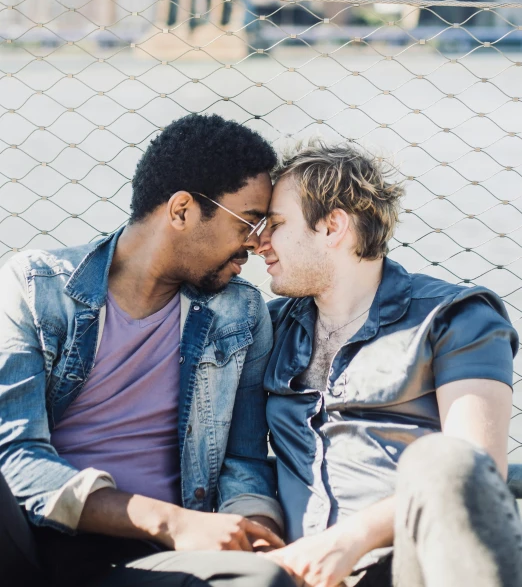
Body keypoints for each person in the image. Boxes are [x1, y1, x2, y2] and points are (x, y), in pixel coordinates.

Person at [0, 114, 293, 587]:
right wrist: (169, 521)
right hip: (32, 538)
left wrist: (254, 534)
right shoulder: (37, 287)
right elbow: (14, 457)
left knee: (260, 581)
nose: (259, 245)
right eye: (251, 221)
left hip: (153, 558)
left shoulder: (241, 314)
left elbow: (244, 459)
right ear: (180, 211)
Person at [257, 141, 522, 587]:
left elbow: (475, 471)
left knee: (444, 459)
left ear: (332, 227)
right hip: (297, 571)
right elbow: (242, 457)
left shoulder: (457, 318)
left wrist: (350, 540)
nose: (258, 241)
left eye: (277, 224)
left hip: (417, 566)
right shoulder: (267, 329)